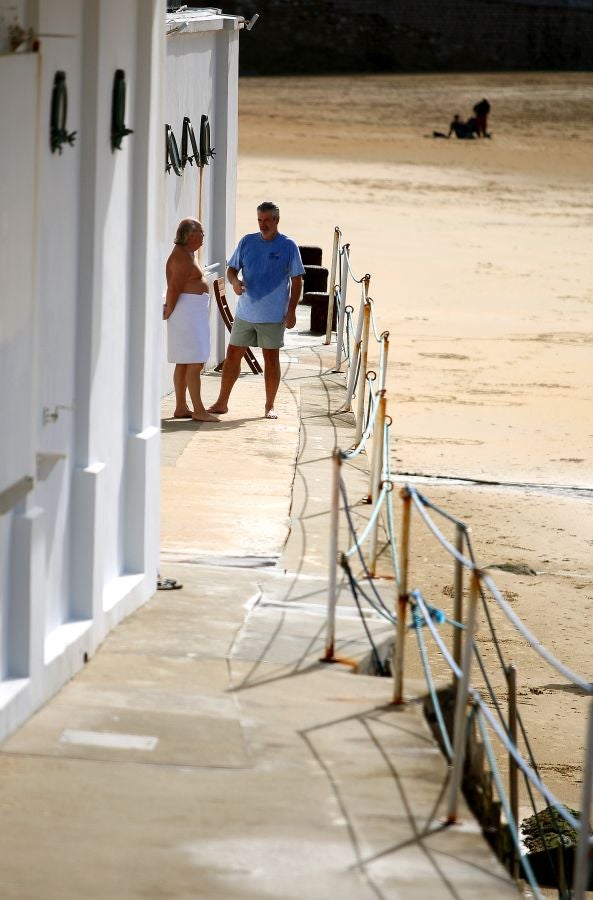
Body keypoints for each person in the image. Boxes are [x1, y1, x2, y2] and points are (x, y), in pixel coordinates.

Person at [208, 201, 304, 419]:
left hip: (272, 316)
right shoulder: (247, 241)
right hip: (245, 313)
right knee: (232, 355)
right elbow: (231, 269)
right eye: (260, 220)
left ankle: (269, 406)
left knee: (271, 359)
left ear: (276, 220)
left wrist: (291, 311)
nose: (263, 224)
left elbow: (297, 281)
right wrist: (234, 282)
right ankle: (222, 402)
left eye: (267, 220)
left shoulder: (288, 246)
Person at [164, 218, 219, 422]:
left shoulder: (188, 254)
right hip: (186, 315)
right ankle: (198, 409)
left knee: (185, 362)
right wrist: (169, 310)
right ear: (191, 234)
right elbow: (174, 287)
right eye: (202, 233)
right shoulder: (181, 257)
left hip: (190, 314)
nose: (204, 236)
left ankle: (181, 407)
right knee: (195, 362)